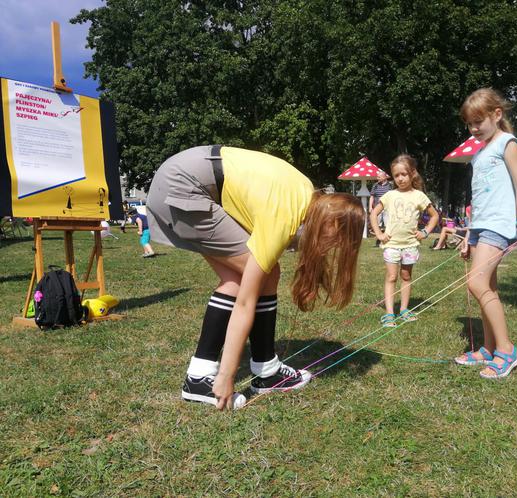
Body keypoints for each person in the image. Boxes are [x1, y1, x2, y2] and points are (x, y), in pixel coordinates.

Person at [146, 145, 365, 410]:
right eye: (337, 240)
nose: (333, 247)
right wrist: (228, 375)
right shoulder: (284, 216)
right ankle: (247, 373)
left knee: (239, 279)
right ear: (329, 222)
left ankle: (205, 376)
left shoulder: (305, 196)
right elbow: (245, 303)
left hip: (183, 176)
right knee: (260, 276)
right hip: (184, 186)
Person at [453, 88, 517, 379]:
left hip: (499, 225)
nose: (473, 128)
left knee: (476, 284)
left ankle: (507, 350)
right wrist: (467, 236)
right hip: (480, 226)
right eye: (469, 124)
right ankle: (487, 349)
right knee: (488, 286)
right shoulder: (479, 152)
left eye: (478, 122)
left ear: (497, 115)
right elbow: (479, 198)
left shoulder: (507, 144)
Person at [370, 154, 439, 327]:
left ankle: (404, 309)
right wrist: (379, 234)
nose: (400, 179)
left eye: (404, 174)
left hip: (410, 245)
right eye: (396, 175)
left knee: (406, 276)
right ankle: (389, 313)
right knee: (392, 276)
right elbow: (373, 213)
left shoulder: (419, 196)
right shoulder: (389, 195)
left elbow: (434, 215)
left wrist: (425, 232)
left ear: (412, 173)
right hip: (392, 245)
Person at [369, 170, 393, 247]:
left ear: (384, 177)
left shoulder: (390, 186)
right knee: (377, 225)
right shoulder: (375, 185)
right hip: (377, 209)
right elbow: (372, 196)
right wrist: (370, 207)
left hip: (387, 209)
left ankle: (386, 242)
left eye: (379, 177)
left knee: (387, 225)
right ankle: (379, 241)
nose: (377, 178)